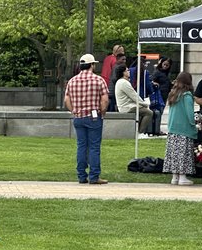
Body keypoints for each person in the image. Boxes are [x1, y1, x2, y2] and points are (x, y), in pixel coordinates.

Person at [64, 53, 110, 184]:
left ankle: (81, 175)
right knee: (94, 146)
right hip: (93, 116)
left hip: (78, 117)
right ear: (92, 65)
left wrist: (73, 110)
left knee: (81, 146)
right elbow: (105, 99)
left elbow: (66, 99)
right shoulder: (98, 80)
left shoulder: (72, 81)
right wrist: (102, 112)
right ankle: (94, 176)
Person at [163, 72, 197, 185]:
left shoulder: (173, 94)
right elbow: (189, 114)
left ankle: (175, 177)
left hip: (172, 129)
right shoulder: (187, 95)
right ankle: (183, 177)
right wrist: (194, 124)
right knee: (183, 153)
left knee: (174, 153)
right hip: (184, 129)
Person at [114, 64, 153, 135]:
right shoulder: (123, 83)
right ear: (123, 73)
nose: (129, 72)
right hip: (127, 107)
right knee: (149, 113)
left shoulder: (121, 82)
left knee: (142, 111)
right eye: (127, 70)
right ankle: (140, 133)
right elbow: (134, 96)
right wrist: (145, 104)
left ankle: (138, 131)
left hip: (127, 106)